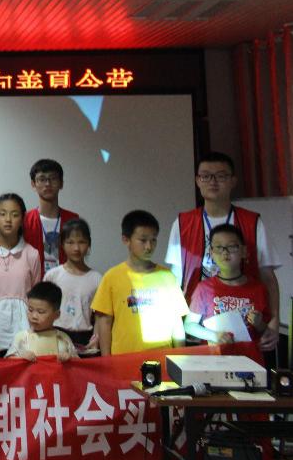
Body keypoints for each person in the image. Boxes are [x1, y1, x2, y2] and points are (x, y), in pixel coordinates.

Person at [166, 151, 279, 351]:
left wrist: (274, 321)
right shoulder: (182, 223)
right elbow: (175, 280)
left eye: (221, 176)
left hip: (245, 329)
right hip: (197, 327)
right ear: (197, 181)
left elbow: (268, 277)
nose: (213, 181)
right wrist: (175, 328)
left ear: (233, 181)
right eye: (206, 176)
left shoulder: (252, 222)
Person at [92, 210, 190, 356]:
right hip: (124, 359)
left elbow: (177, 322)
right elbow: (105, 322)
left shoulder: (167, 277)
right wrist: (106, 360)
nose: (149, 246)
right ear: (126, 240)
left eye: (153, 240)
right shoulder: (111, 277)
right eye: (143, 240)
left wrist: (180, 357)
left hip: (163, 357)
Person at [0, 193, 42, 357]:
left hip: (24, 327)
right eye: (2, 214)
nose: (8, 219)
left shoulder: (32, 254)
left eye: (14, 214)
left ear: (22, 218)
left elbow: (36, 294)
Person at [184, 223, 270, 349]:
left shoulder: (258, 289)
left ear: (244, 251)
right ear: (211, 253)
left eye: (232, 246)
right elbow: (189, 325)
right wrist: (215, 336)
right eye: (219, 247)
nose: (225, 252)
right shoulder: (204, 288)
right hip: (215, 357)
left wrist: (259, 323)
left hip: (248, 356)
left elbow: (266, 331)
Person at [43, 218, 102, 352]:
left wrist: (96, 338)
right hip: (56, 336)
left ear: (89, 244)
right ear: (62, 244)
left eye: (81, 242)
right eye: (70, 242)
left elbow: (99, 317)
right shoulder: (52, 276)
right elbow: (43, 309)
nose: (76, 248)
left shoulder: (97, 279)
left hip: (85, 339)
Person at [21, 159, 79, 273]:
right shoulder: (24, 220)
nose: (48, 184)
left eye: (53, 178)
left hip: (65, 281)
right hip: (34, 282)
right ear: (33, 184)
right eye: (42, 179)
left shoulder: (73, 220)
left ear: (61, 183)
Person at [7, 282, 75, 361]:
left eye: (40, 312)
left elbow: (78, 364)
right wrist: (20, 358)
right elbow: (8, 362)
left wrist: (69, 358)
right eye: (30, 310)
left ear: (56, 315)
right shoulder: (21, 338)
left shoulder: (63, 338)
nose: (34, 316)